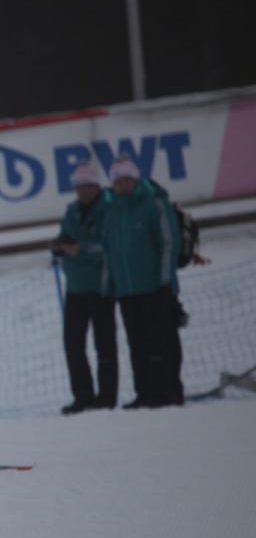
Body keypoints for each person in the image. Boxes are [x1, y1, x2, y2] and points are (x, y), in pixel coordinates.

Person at [100, 157, 181, 408]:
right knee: (137, 343)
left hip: (155, 287)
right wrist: (108, 288)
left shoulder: (154, 204)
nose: (123, 185)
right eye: (118, 181)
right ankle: (144, 391)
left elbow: (169, 243)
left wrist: (165, 281)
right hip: (127, 290)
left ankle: (168, 391)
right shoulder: (112, 213)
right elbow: (108, 252)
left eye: (127, 180)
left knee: (162, 341)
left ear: (135, 180)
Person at [51, 161, 118, 414]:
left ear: (96, 185)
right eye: (78, 187)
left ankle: (107, 397)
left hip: (102, 287)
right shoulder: (72, 211)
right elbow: (65, 237)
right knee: (73, 344)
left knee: (105, 343)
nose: (82, 191)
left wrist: (80, 249)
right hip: (76, 287)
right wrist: (59, 246)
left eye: (87, 186)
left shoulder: (109, 208)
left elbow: (110, 244)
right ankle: (83, 396)